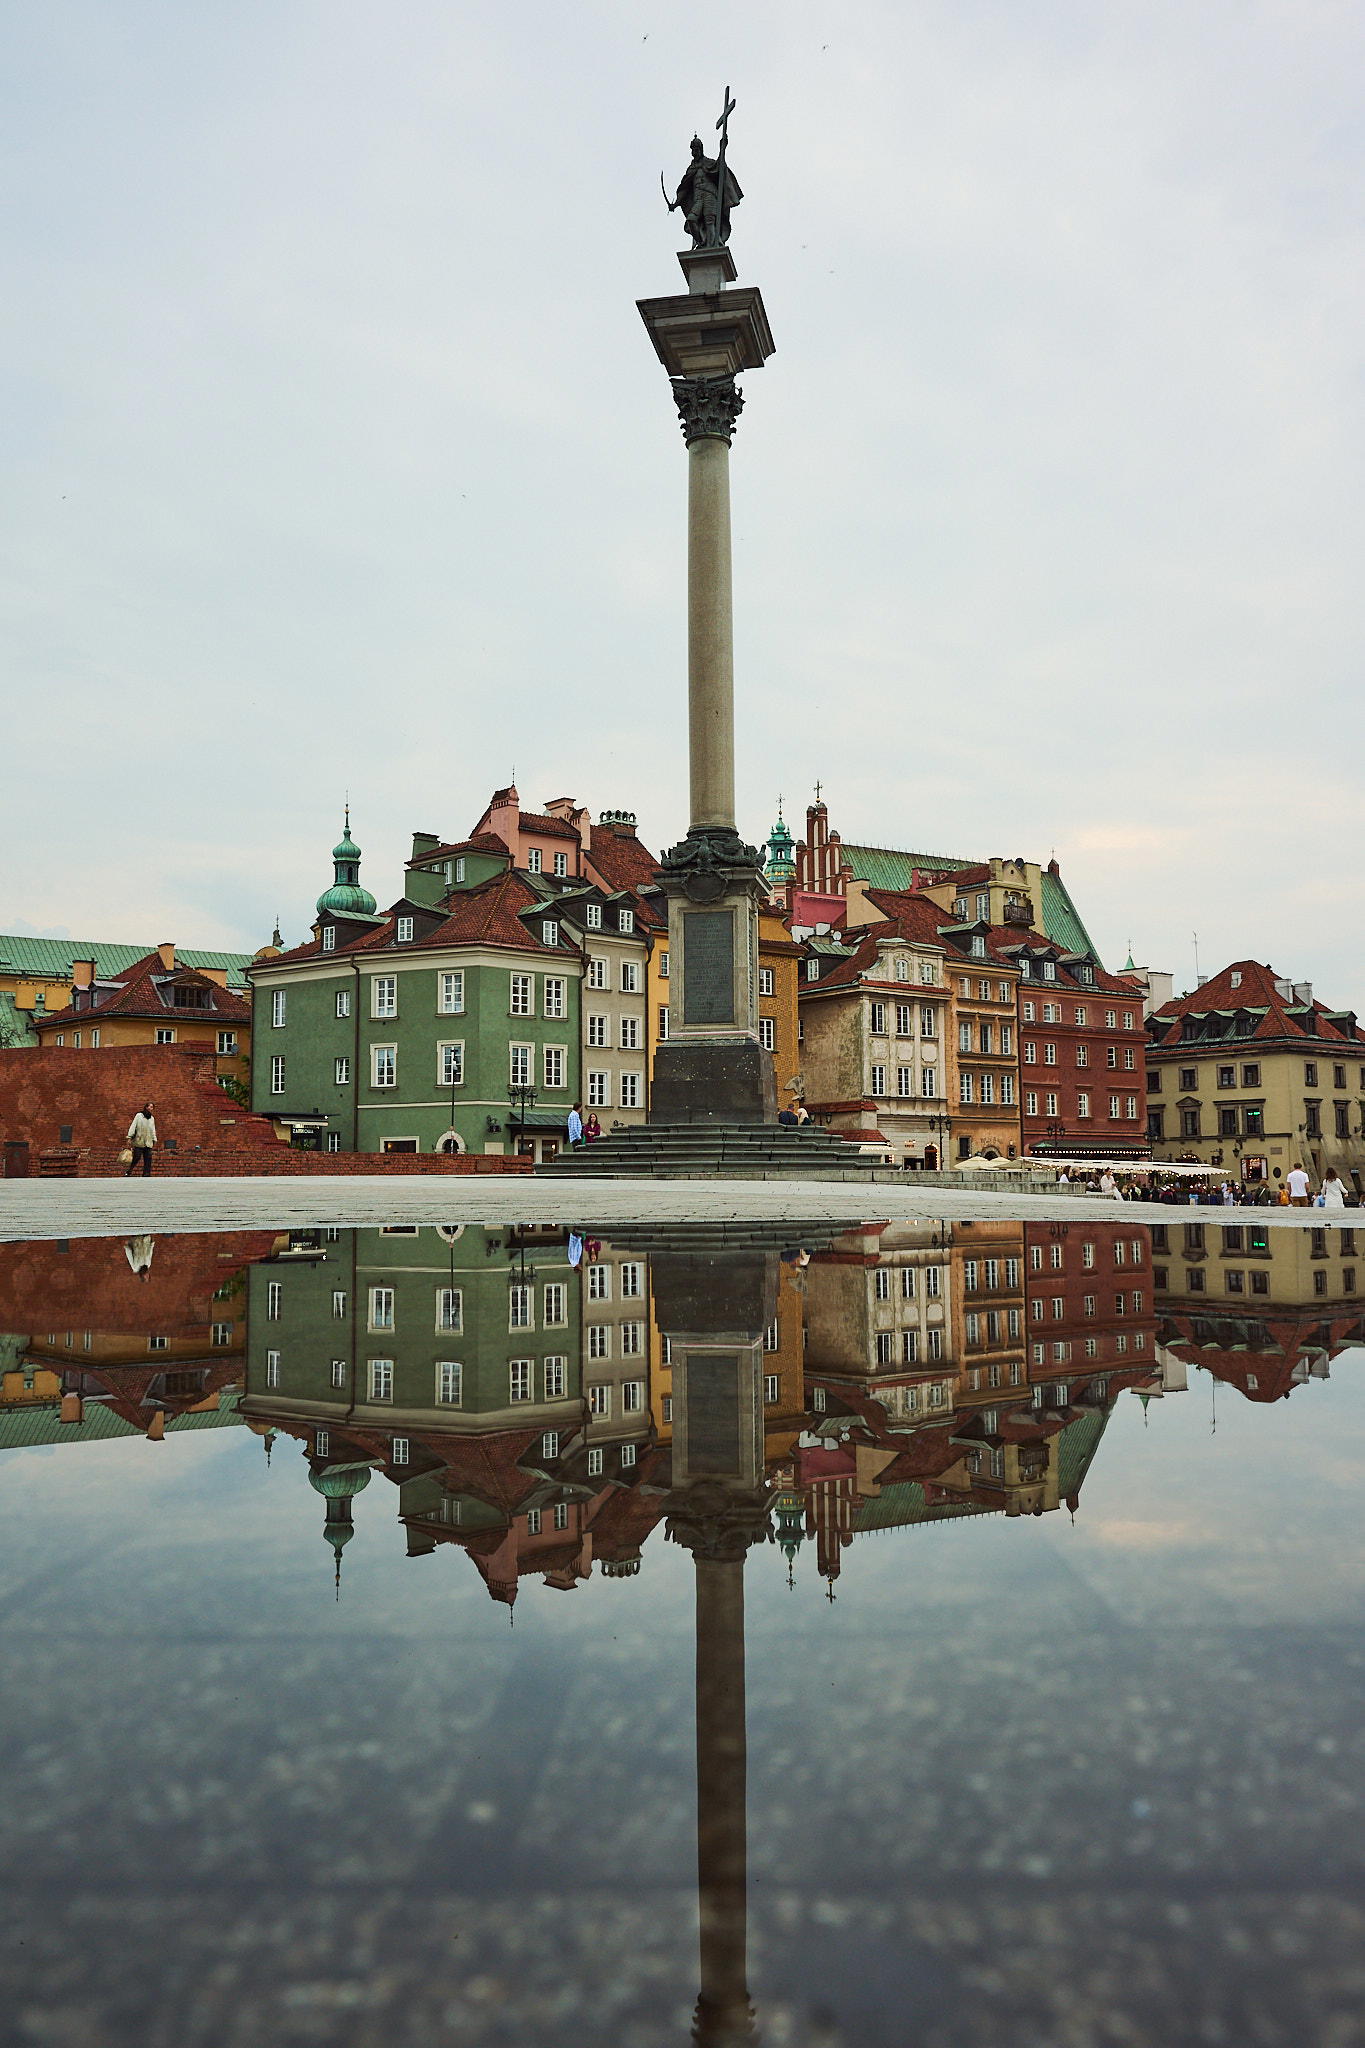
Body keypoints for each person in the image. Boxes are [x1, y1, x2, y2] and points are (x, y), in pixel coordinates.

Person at [125, 1102, 157, 1176]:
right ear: (146, 1107)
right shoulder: (139, 1115)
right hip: (139, 1141)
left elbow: (153, 1129)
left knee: (148, 1158)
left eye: (152, 1107)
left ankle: (146, 1174)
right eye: (149, 1106)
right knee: (136, 1157)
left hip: (148, 1141)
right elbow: (133, 1125)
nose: (150, 1108)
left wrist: (154, 1139)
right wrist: (129, 1137)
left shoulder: (152, 1118)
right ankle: (129, 1171)